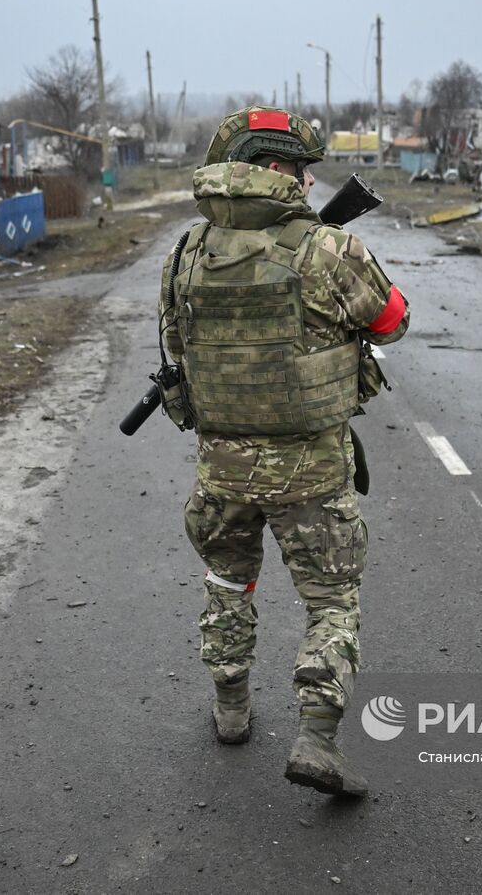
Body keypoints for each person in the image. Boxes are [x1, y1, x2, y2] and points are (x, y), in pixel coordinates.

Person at [158, 106, 408, 797]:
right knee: (331, 601)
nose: (305, 182)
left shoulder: (187, 251)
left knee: (228, 584)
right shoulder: (331, 251)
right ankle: (317, 739)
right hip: (312, 474)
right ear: (272, 169)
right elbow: (393, 323)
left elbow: (177, 351)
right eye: (300, 169)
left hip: (221, 472)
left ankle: (231, 711)